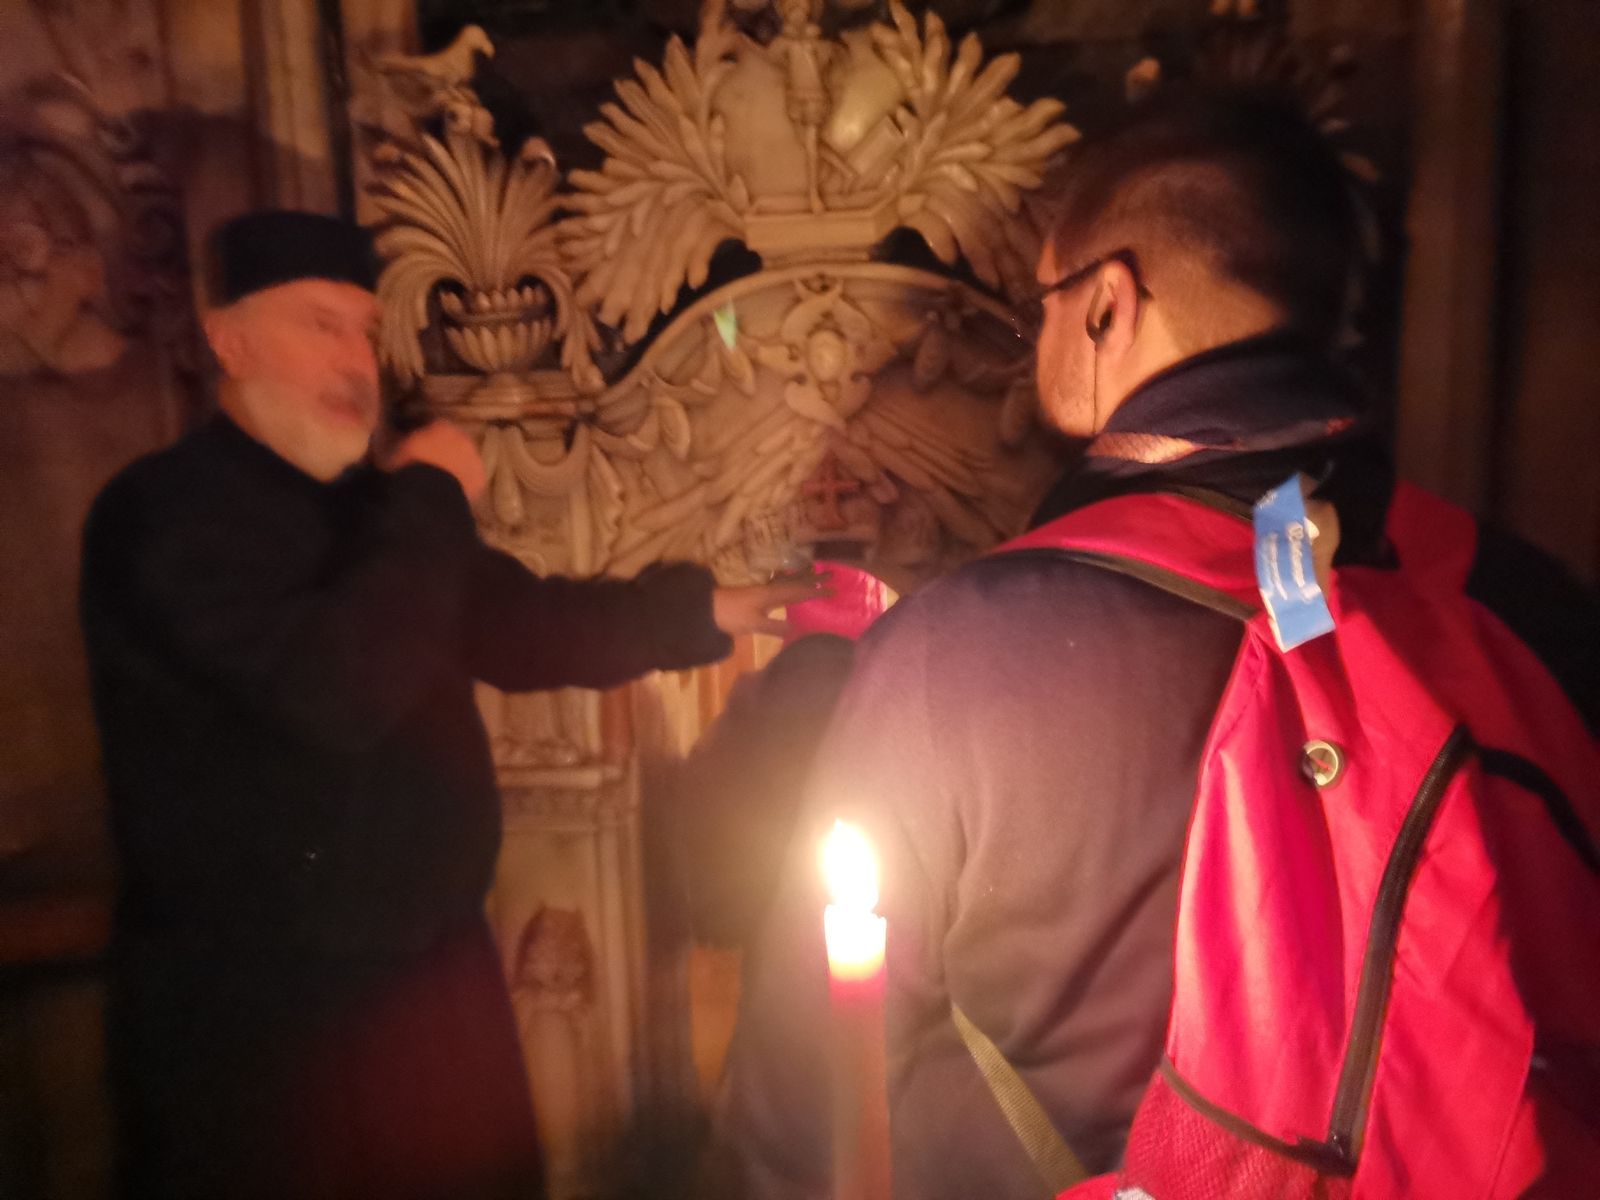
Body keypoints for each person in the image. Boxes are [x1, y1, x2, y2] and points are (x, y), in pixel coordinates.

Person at [717, 92, 1600, 1200]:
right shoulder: (1525, 603)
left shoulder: (964, 652)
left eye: (1042, 307)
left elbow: (797, 1106)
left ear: (1104, 307)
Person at [79, 209, 816, 1200]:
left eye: (366, 333)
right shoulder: (163, 515)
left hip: (431, 985)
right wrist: (427, 493)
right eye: (320, 326)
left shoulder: (374, 515)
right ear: (230, 337)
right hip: (259, 1027)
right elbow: (335, 691)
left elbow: (519, 623)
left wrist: (719, 610)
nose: (355, 361)